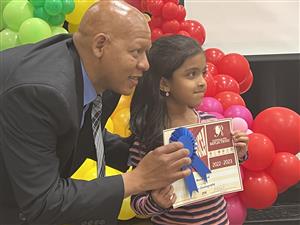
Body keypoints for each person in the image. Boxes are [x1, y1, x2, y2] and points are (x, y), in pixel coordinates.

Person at [0, 2, 192, 225]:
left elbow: (87, 132)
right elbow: (43, 202)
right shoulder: (41, 93)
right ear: (100, 45)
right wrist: (137, 179)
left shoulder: (102, 77)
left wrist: (146, 152)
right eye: (136, 52)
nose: (145, 64)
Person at [129, 35, 249, 225]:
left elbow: (221, 174)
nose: (202, 82)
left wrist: (238, 154)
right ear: (164, 83)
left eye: (203, 72)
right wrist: (156, 202)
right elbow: (137, 204)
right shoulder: (149, 139)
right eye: (191, 74)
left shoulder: (210, 124)